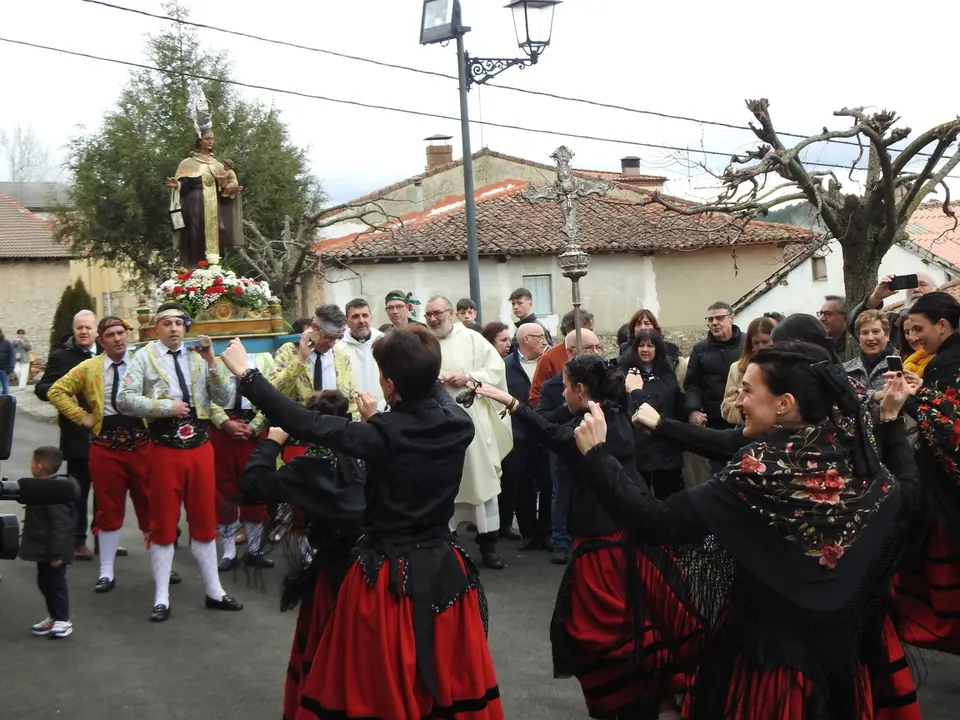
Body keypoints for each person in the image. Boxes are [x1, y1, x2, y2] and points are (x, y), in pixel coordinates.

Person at [592, 341, 922, 717]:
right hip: (844, 663)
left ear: (784, 403)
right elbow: (908, 497)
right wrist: (891, 423)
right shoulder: (851, 450)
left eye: (747, 390)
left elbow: (659, 522)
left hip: (773, 673)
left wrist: (598, 458)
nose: (738, 401)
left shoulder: (759, 468)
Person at [219, 327, 503, 720]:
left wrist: (247, 375)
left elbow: (305, 422)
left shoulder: (382, 434)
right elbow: (429, 395)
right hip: (444, 565)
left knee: (375, 681)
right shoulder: (458, 422)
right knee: (448, 669)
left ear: (389, 385)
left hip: (388, 575)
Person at [473, 354, 683, 719]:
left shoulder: (590, 429)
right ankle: (657, 697)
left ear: (581, 389)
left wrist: (515, 405)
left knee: (604, 632)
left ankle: (628, 699)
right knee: (649, 616)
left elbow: (554, 435)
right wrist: (512, 403)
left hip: (603, 545)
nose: (562, 393)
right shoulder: (618, 411)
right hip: (638, 537)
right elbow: (554, 423)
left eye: (566, 386)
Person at [238, 389, 365, 720]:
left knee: (330, 647)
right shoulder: (368, 451)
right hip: (377, 570)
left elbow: (252, 484)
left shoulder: (307, 467)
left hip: (336, 572)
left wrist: (272, 442)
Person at [117, 303, 242, 622]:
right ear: (157, 328)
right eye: (167, 323)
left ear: (186, 327)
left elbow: (224, 398)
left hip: (200, 446)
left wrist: (212, 361)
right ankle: (161, 597)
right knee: (162, 520)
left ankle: (215, 591)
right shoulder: (143, 356)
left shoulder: (198, 355)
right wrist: (164, 406)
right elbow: (124, 400)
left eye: (178, 323)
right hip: (164, 447)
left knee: (204, 518)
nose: (174, 328)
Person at [46, 317, 156, 593]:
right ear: (101, 341)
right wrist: (81, 417)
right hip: (105, 447)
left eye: (121, 333)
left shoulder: (143, 362)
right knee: (108, 507)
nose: (118, 338)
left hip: (142, 445)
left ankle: (161, 564)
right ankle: (106, 571)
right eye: (111, 335)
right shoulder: (89, 367)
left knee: (150, 505)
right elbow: (56, 391)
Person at [425, 295, 513, 569]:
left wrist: (468, 378)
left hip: (472, 419)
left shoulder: (473, 339)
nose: (433, 319)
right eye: (428, 315)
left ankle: (488, 546)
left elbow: (496, 369)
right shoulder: (423, 343)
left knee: (480, 480)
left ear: (450, 313)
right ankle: (449, 547)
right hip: (437, 424)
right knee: (444, 484)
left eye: (438, 313)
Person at [894, 291, 960, 653]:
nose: (914, 338)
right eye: (909, 331)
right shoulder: (941, 361)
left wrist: (910, 401)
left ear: (943, 325)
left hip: (945, 490)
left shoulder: (947, 363)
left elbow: (948, 424)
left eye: (919, 329)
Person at [35, 310, 101, 561]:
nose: (83, 332)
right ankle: (77, 542)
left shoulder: (106, 353)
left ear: (96, 330)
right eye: (79, 328)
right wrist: (59, 392)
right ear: (73, 330)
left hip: (107, 435)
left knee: (106, 494)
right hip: (76, 436)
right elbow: (41, 387)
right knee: (78, 494)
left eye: (88, 327)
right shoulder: (61, 356)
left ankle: (105, 538)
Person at [537, 328, 604, 565]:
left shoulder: (603, 380)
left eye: (597, 347)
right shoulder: (553, 386)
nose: (595, 353)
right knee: (562, 493)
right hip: (564, 446)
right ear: (570, 352)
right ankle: (561, 541)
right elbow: (543, 419)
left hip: (595, 444)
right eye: (588, 348)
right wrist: (569, 406)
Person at [210, 349, 276, 571]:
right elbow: (203, 395)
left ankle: (255, 550)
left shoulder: (264, 357)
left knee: (256, 488)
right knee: (224, 490)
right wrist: (223, 422)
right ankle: (228, 552)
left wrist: (255, 425)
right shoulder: (212, 358)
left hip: (253, 429)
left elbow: (272, 393)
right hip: (222, 430)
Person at [165, 85, 242, 268]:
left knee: (219, 230)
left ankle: (215, 268)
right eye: (208, 139)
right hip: (195, 204)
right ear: (200, 140)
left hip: (213, 206)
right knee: (195, 235)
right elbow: (185, 185)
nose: (211, 142)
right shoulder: (188, 163)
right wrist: (178, 186)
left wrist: (231, 190)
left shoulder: (217, 164)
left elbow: (224, 190)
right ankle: (195, 268)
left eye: (212, 139)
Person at [21, 446, 80, 640]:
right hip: (45, 548)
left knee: (56, 585)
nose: (30, 465)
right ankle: (54, 617)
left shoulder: (54, 493)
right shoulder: (44, 489)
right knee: (45, 583)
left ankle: (63, 619)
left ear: (39, 465)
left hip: (54, 551)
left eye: (32, 461)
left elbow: (61, 526)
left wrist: (57, 554)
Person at [501, 322, 551, 550]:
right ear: (525, 339)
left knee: (548, 485)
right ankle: (528, 533)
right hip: (518, 437)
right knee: (522, 487)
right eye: (539, 336)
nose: (544, 340)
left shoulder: (549, 362)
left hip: (546, 434)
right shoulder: (505, 366)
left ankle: (547, 532)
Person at [620, 329, 686, 499]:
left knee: (669, 496)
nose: (645, 349)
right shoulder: (626, 374)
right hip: (638, 445)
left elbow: (675, 403)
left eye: (650, 345)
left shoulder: (667, 373)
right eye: (641, 345)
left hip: (666, 445)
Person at [684, 301, 743, 469]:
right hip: (714, 419)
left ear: (732, 318)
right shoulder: (700, 349)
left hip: (743, 415)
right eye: (710, 319)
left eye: (720, 318)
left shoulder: (747, 343)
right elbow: (692, 384)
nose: (714, 323)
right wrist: (693, 409)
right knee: (719, 468)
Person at [848, 272, 939, 349]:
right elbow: (856, 325)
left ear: (937, 291)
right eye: (912, 286)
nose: (916, 290)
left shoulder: (944, 318)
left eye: (922, 285)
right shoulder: (891, 320)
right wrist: (876, 297)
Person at [529, 309, 595, 408]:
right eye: (585, 331)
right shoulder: (549, 358)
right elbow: (535, 397)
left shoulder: (595, 353)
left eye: (591, 330)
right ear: (569, 331)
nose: (591, 335)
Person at [720, 316, 776, 425]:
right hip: (746, 427)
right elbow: (726, 408)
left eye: (765, 342)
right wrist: (745, 406)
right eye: (756, 343)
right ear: (750, 344)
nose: (761, 347)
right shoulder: (737, 369)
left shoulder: (784, 367)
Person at [337, 298, 386, 411]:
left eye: (365, 315)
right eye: (355, 316)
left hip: (384, 408)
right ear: (347, 321)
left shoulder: (385, 343)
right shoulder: (339, 349)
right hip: (353, 411)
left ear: (371, 318)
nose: (361, 320)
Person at [843, 310, 896, 399]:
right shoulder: (846, 370)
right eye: (865, 333)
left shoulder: (904, 364)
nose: (870, 338)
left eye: (876, 331)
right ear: (858, 338)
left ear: (887, 335)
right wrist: (874, 396)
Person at [0, 328, 13, 395]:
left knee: (5, 388)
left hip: (5, 370)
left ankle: (5, 401)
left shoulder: (7, 343)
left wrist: (10, 368)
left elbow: (12, 356)